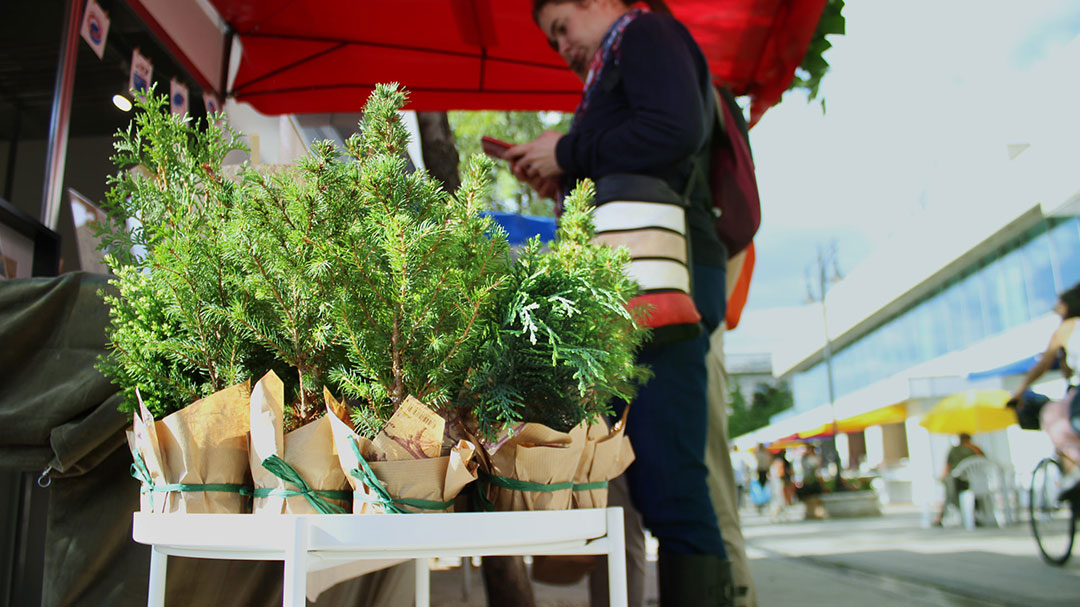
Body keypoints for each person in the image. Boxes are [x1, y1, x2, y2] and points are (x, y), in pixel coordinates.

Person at [506, 0, 733, 604]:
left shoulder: (647, 32)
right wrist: (563, 171)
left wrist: (570, 150)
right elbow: (646, 144)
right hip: (650, 280)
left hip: (666, 281)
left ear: (600, 2)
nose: (563, 47)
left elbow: (675, 128)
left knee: (671, 482)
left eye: (561, 27)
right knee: (652, 481)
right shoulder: (622, 52)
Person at [1009, 283, 1080, 498]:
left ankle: (1075, 472)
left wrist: (1019, 391)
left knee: (1053, 419)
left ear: (1067, 307)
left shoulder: (1065, 329)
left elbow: (1042, 365)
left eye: (1058, 306)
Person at [931, 433, 985, 526]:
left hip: (958, 481)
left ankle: (940, 517)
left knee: (949, 491)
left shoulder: (954, 450)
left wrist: (942, 477)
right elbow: (984, 462)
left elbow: (948, 466)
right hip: (977, 483)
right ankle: (975, 515)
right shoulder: (976, 449)